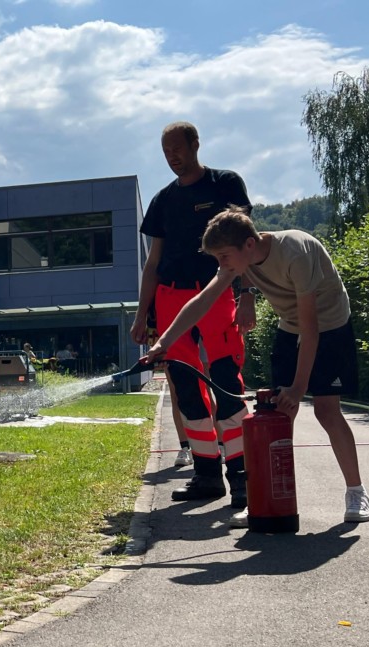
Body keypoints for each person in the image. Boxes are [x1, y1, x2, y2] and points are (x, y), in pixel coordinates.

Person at [145, 207, 369, 525]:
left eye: (224, 256)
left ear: (248, 244)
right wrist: (164, 342)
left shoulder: (296, 252)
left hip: (330, 325)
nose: (221, 264)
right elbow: (202, 301)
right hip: (290, 325)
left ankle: (356, 492)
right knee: (277, 415)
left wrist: (298, 388)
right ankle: (263, 500)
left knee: (326, 410)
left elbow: (311, 328)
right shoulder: (241, 259)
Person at [131, 121, 253, 510]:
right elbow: (153, 262)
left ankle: (242, 476)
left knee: (226, 382)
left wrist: (247, 294)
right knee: (186, 390)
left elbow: (244, 243)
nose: (172, 157)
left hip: (216, 291)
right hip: (169, 298)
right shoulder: (162, 200)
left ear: (195, 144)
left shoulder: (225, 184)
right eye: (166, 152)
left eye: (178, 149)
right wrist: (141, 314)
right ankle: (206, 475)